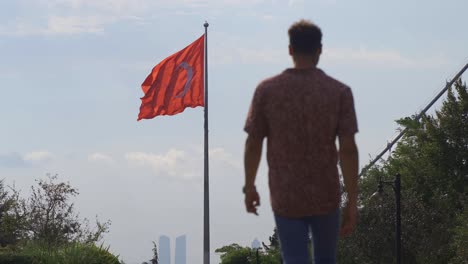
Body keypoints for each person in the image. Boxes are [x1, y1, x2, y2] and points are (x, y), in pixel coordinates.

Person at [243, 19, 359, 264]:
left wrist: (249, 186)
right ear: (320, 50)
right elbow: (348, 149)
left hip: (286, 194)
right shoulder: (339, 92)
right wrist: (353, 200)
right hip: (326, 193)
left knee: (294, 258)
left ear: (290, 50)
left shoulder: (267, 90)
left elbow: (253, 143)